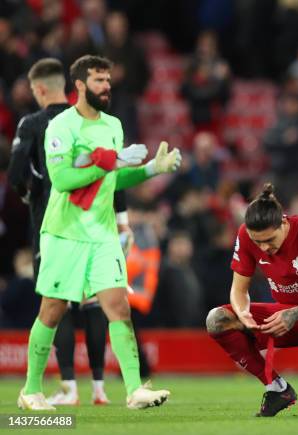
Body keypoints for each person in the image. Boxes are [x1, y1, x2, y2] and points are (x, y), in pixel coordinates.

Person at [17, 55, 181, 411]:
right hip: (65, 233)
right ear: (78, 85)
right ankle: (31, 390)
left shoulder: (114, 125)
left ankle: (135, 390)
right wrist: (107, 160)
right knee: (52, 309)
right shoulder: (60, 127)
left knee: (118, 307)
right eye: (98, 81)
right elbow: (62, 180)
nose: (107, 87)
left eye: (108, 80)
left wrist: (151, 168)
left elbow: (113, 178)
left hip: (103, 235)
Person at [7, 58, 132, 405]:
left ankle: (67, 386)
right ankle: (98, 387)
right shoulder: (98, 124)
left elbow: (17, 175)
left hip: (56, 225)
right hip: (100, 222)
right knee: (97, 306)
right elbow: (113, 173)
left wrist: (34, 197)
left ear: (39, 89)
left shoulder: (34, 124)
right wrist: (123, 219)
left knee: (54, 304)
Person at [206, 183, 298, 417]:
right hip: (282, 314)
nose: (264, 247)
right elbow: (238, 290)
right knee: (217, 319)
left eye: (269, 239)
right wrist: (243, 312)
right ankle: (276, 388)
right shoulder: (246, 235)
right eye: (258, 242)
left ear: (283, 224)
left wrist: (295, 313)